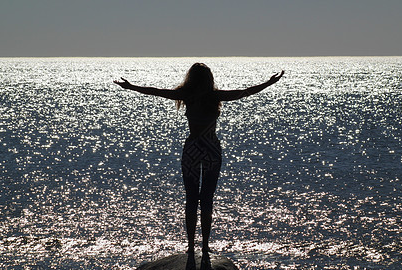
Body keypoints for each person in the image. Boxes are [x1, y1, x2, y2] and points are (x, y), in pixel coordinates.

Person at [114, 63, 284, 254]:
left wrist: (131, 87)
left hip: (193, 150)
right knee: (207, 199)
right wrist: (269, 83)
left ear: (191, 78)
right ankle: (204, 246)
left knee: (192, 199)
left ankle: (191, 246)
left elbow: (156, 92)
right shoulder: (214, 96)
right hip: (211, 150)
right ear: (209, 78)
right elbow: (245, 92)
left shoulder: (187, 95)